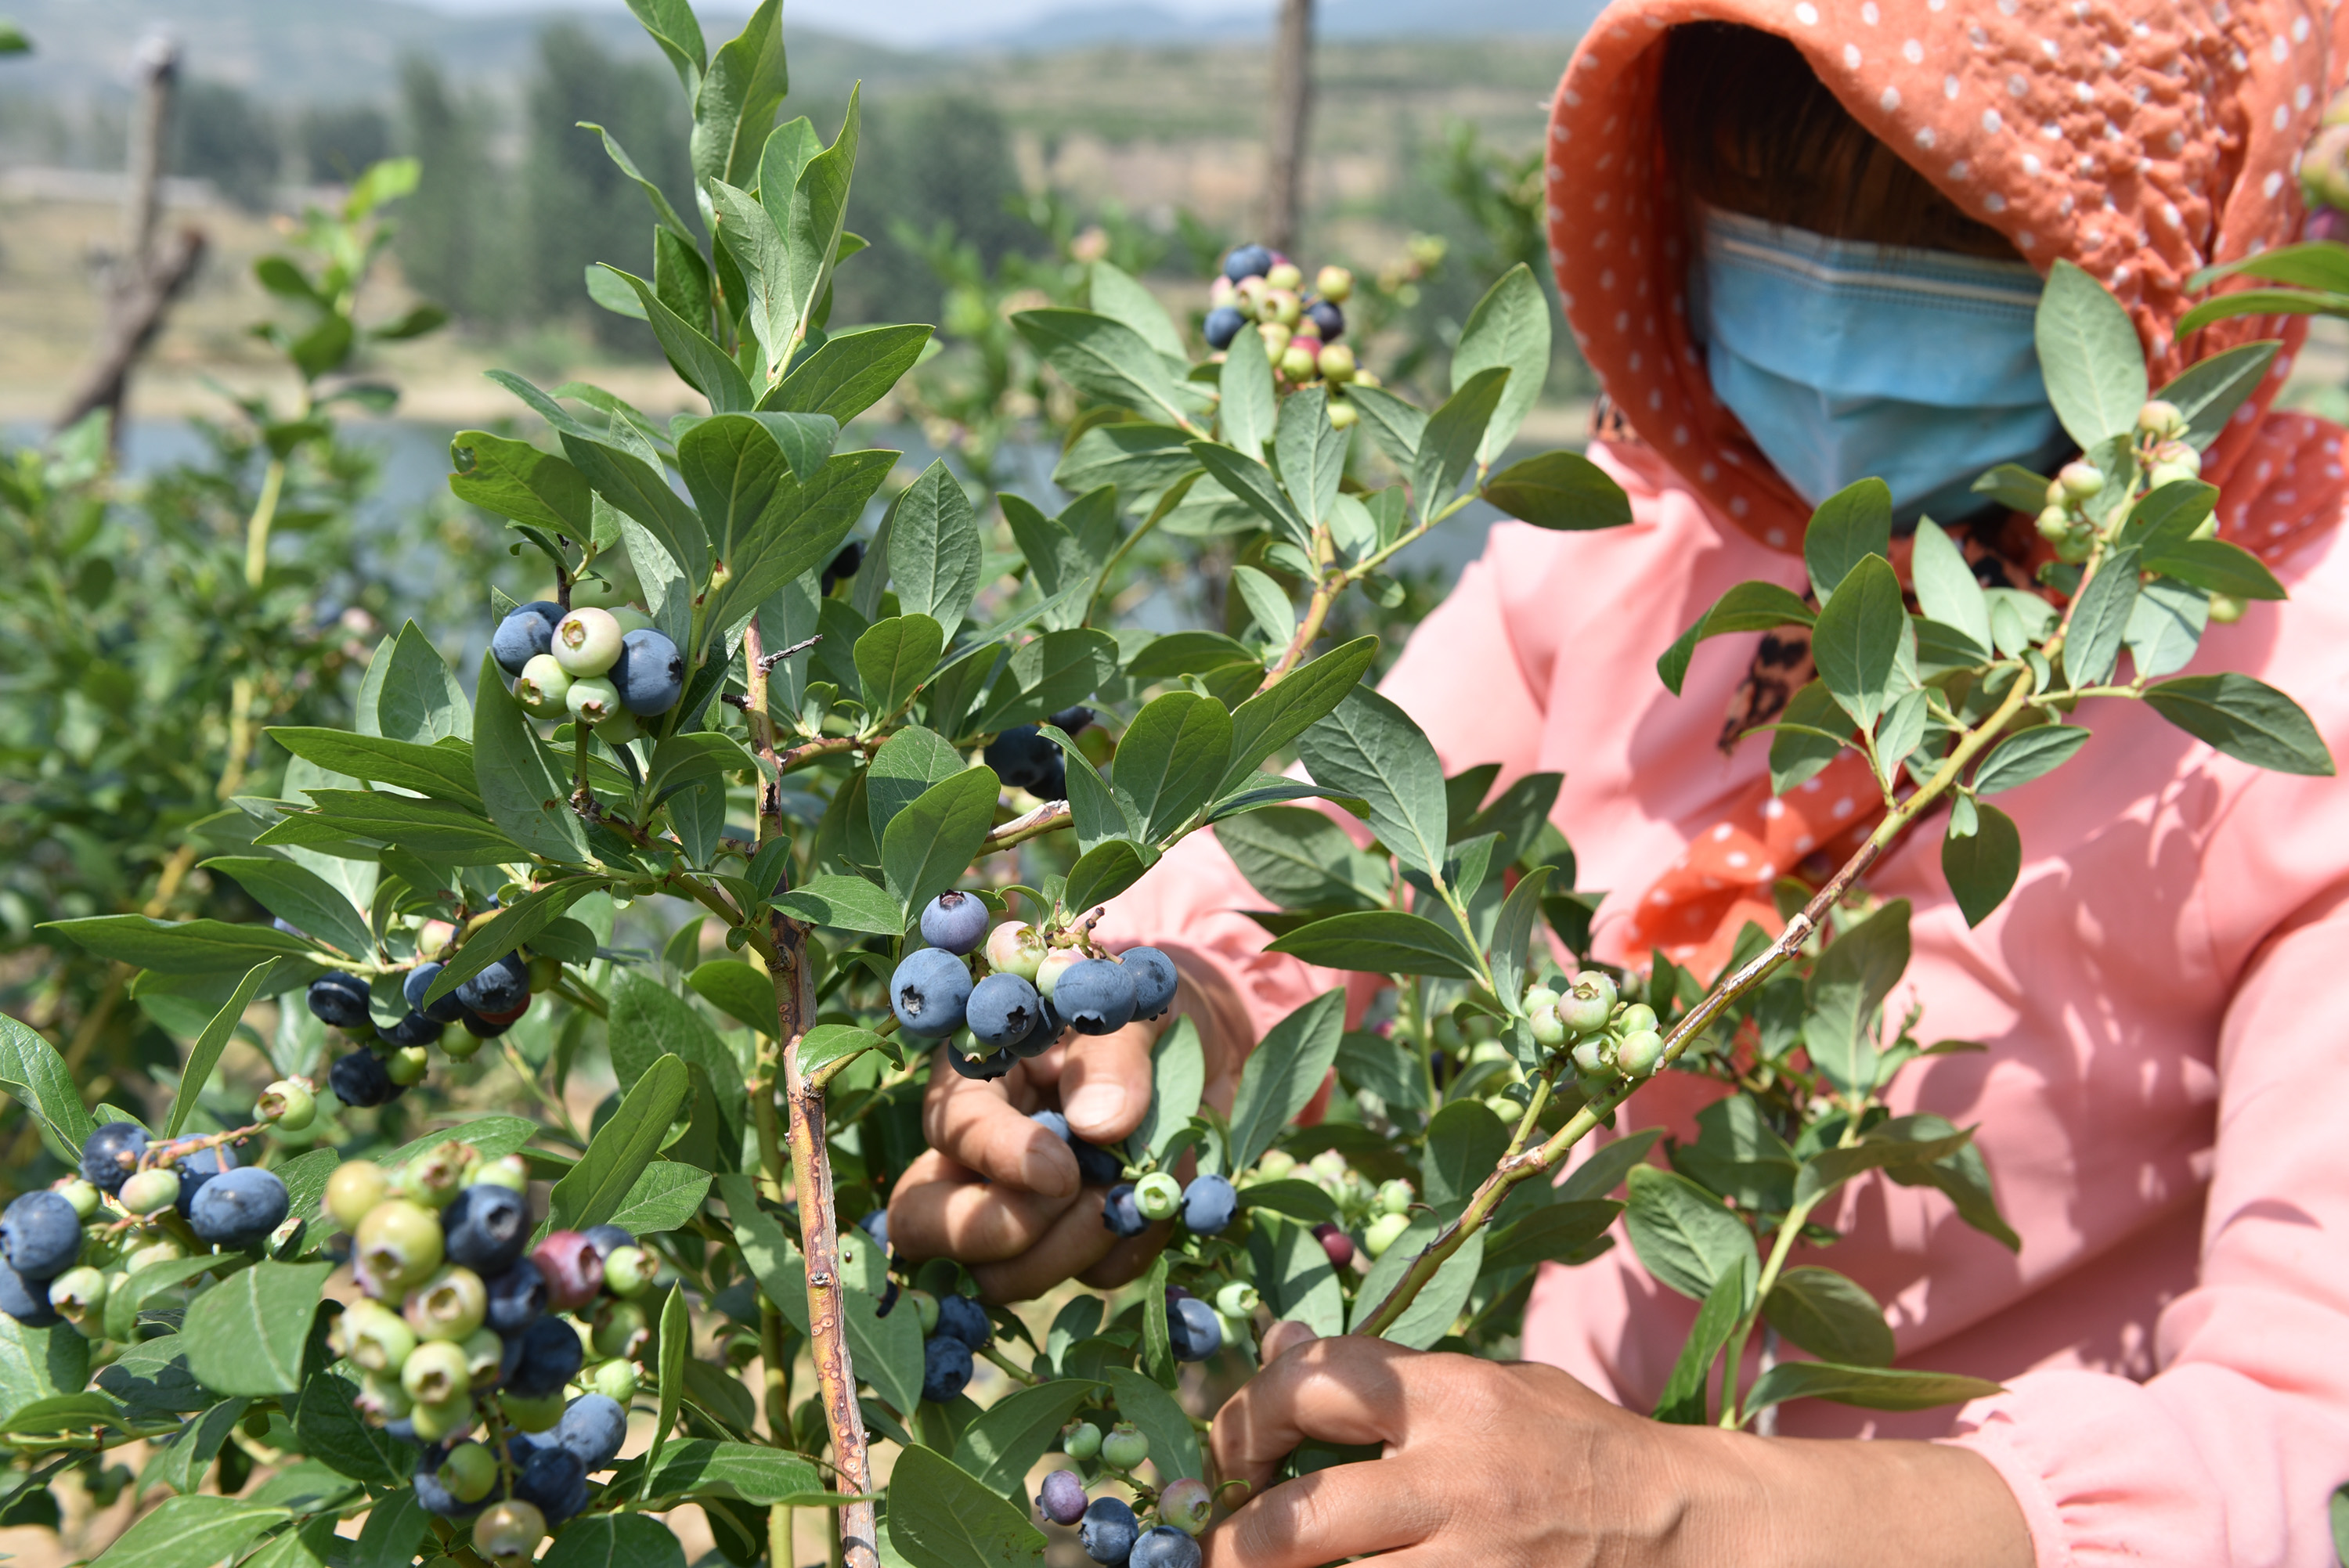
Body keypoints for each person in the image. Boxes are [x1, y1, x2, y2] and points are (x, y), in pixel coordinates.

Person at [891, 2, 2349, 1563]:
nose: (1834, 311)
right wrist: (1151, 1017)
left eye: (1952, 227)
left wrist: (1655, 1520)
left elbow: (2302, 1436)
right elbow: (1343, 840)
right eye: (1767, 215)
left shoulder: (2292, 682)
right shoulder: (1652, 532)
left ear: (2155, 240)